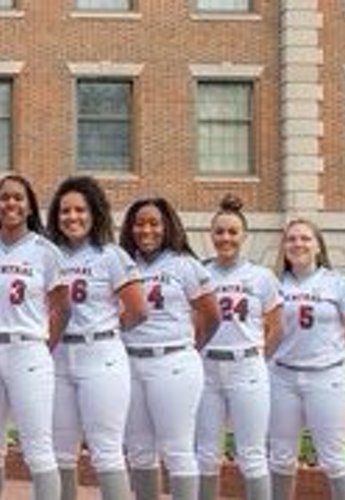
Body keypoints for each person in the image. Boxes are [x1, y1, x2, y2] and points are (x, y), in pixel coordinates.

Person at [46, 176, 145, 500]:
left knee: (106, 450)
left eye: (80, 210)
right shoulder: (48, 254)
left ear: (94, 213)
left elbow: (138, 310)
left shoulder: (110, 255)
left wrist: (106, 329)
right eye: (65, 211)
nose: (72, 217)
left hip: (100, 354)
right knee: (60, 452)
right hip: (59, 356)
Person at [118, 197, 218, 500]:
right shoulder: (122, 262)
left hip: (172, 361)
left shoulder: (184, 264)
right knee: (139, 451)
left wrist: (189, 346)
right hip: (130, 362)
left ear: (167, 226)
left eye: (153, 223)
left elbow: (212, 315)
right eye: (139, 223)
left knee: (177, 450)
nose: (146, 230)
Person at [0, 175, 65, 500]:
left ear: (29, 206)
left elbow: (61, 308)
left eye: (18, 198)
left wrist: (42, 345)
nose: (11, 204)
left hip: (27, 349)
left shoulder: (45, 251)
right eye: (4, 198)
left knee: (38, 449)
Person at [267, 218, 345, 500]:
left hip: (327, 376)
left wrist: (336, 351)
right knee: (282, 456)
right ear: (284, 247)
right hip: (282, 376)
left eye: (305, 238)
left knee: (334, 457)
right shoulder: (273, 283)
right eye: (291, 239)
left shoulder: (337, 283)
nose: (298, 244)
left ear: (318, 246)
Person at [194, 194, 281, 500]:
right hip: (207, 369)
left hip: (247, 367)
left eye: (232, 232)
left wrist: (256, 356)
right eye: (220, 232)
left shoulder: (262, 276)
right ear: (211, 235)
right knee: (205, 453)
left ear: (244, 236)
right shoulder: (200, 272)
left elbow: (277, 327)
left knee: (252, 454)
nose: (226, 238)